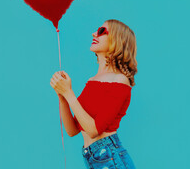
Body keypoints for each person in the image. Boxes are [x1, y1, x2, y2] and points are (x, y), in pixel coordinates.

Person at [50, 19, 137, 169]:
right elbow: (72, 130)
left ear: (117, 40)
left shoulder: (120, 80)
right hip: (92, 157)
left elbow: (93, 130)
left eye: (101, 31)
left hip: (110, 157)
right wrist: (62, 98)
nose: (94, 34)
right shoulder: (92, 81)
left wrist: (69, 92)